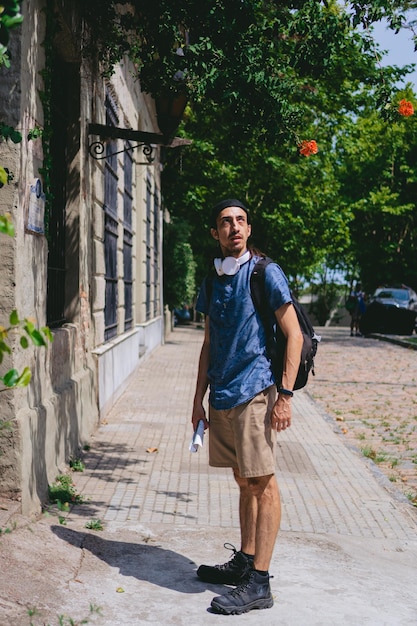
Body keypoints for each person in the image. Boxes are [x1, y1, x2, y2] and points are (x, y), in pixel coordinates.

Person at [191, 198, 303, 615]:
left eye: (240, 221)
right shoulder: (214, 276)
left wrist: (285, 396)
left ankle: (259, 582)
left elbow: (293, 335)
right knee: (243, 479)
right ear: (215, 233)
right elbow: (207, 344)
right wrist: (197, 402)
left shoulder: (264, 272)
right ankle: (245, 559)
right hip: (221, 394)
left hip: (255, 390)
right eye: (225, 222)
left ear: (249, 229)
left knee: (263, 482)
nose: (234, 227)